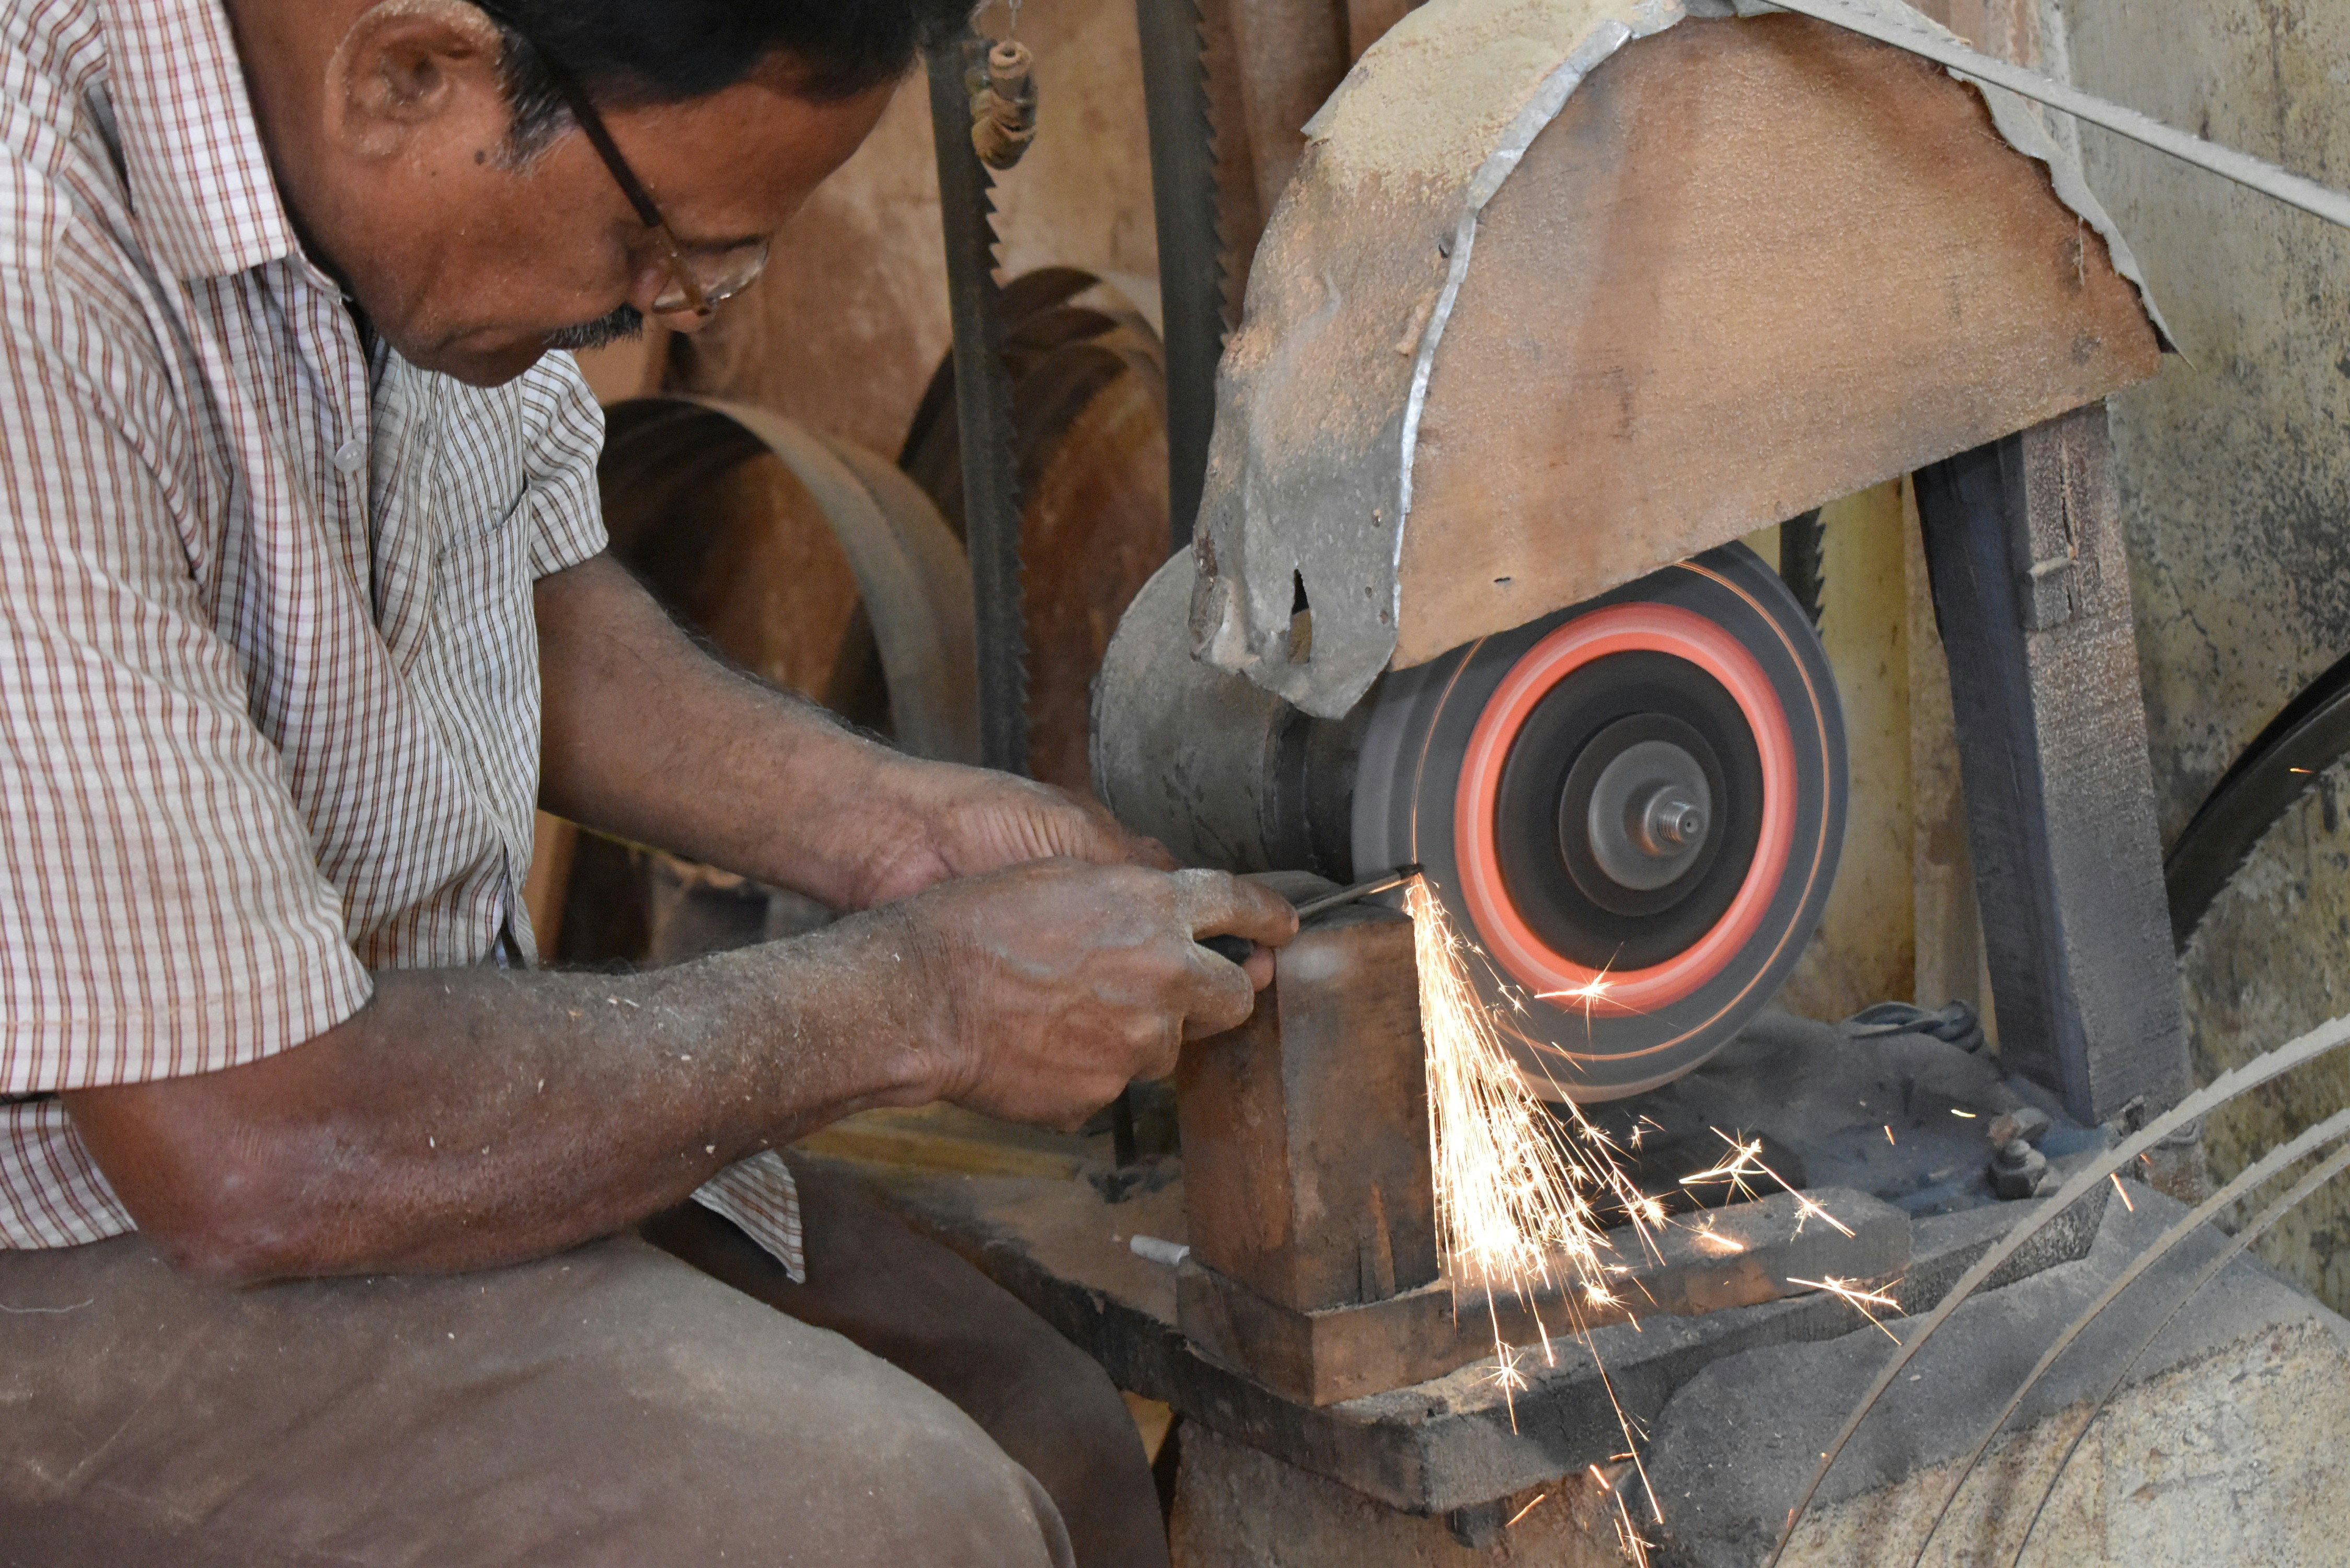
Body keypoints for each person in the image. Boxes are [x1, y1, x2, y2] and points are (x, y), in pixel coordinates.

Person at [0, 2, 1298, 1564]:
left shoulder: (423, 201)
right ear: (410, 71)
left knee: (1058, 1423)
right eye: (655, 250)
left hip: (363, 1101)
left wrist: (893, 829)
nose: (665, 307)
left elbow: (522, 590)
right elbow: (246, 1145)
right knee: (895, 1530)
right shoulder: (37, 263)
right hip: (94, 1221)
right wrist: (927, 1001)